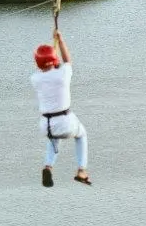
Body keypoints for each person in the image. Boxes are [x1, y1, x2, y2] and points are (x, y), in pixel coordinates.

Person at [30, 30, 90, 187]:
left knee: (53, 138)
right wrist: (60, 40)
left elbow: (47, 67)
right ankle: (81, 170)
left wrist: (52, 53)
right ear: (53, 60)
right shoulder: (63, 73)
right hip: (65, 122)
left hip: (45, 124)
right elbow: (67, 60)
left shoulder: (35, 78)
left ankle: (48, 166)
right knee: (81, 134)